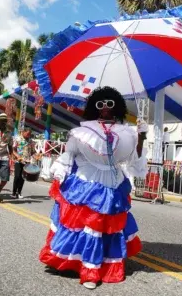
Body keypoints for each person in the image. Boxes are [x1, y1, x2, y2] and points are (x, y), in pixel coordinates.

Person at [39, 87, 148, 290]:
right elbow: (69, 155)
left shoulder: (127, 133)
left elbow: (134, 160)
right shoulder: (82, 132)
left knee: (107, 228)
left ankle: (102, 264)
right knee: (89, 227)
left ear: (117, 107)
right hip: (86, 184)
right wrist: (60, 174)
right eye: (100, 104)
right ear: (93, 108)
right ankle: (88, 270)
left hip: (113, 184)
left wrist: (141, 136)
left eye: (110, 103)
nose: (105, 107)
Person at [12, 128, 39, 199]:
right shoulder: (17, 139)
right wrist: (17, 156)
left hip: (27, 161)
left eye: (29, 134)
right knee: (17, 176)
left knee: (23, 177)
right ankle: (14, 192)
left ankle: (19, 192)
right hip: (18, 161)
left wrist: (36, 156)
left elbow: (32, 151)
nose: (28, 135)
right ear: (23, 132)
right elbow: (13, 150)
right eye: (27, 134)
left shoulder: (30, 141)